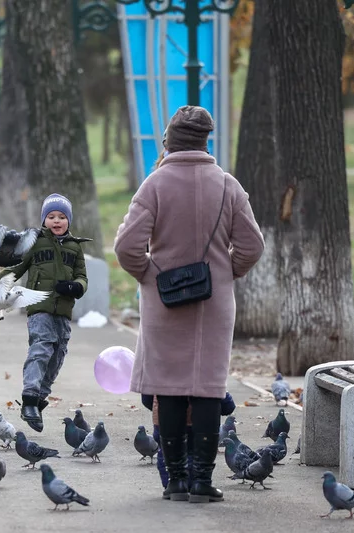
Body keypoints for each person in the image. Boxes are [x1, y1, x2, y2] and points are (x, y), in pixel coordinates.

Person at [114, 105, 265, 503]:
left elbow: (127, 246)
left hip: (164, 301)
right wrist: (224, 271)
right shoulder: (228, 185)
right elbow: (252, 245)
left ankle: (176, 480)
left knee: (171, 387)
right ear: (204, 140)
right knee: (207, 390)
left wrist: (150, 274)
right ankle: (202, 481)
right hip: (214, 303)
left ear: (171, 141)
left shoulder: (154, 185)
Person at [0, 194, 88, 433]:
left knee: (57, 356)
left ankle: (37, 400)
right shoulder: (35, 244)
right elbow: (12, 271)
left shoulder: (75, 248)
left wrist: (77, 287)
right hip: (39, 311)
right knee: (41, 348)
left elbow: (82, 276)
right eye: (51, 216)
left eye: (62, 217)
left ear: (69, 220)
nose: (57, 221)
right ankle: (30, 398)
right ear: (44, 220)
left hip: (64, 311)